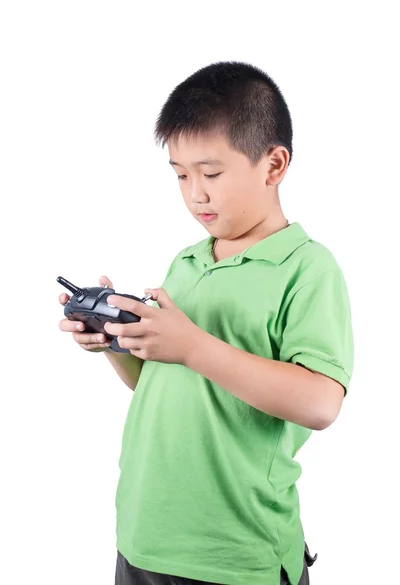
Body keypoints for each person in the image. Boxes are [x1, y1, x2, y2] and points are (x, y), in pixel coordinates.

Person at [58, 61, 354, 585]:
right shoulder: (188, 261)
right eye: (179, 174)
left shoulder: (307, 268)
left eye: (211, 173)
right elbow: (160, 382)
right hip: (145, 535)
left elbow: (321, 402)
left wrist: (192, 345)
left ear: (274, 164)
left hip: (233, 554)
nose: (195, 193)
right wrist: (115, 343)